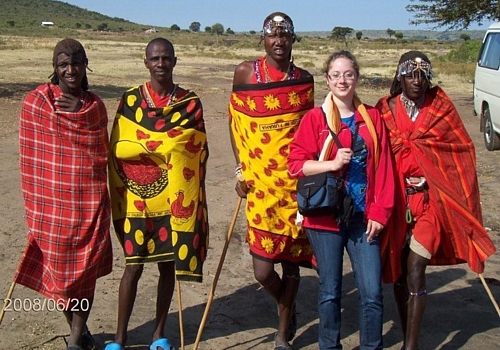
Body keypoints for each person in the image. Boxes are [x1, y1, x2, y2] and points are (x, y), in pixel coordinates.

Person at [375, 50, 497, 350]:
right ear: (399, 76)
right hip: (398, 203)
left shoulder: (440, 107)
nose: (417, 80)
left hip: (431, 202)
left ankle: (411, 347)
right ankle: (407, 334)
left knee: (416, 267)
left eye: (423, 74)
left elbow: (462, 150)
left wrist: (444, 181)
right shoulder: (385, 109)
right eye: (410, 74)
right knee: (401, 273)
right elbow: (374, 152)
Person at [105, 38, 209, 350]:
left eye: (166, 58)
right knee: (133, 266)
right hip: (137, 197)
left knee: (167, 266)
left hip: (174, 197)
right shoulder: (131, 100)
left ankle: (158, 335)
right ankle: (120, 338)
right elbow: (119, 148)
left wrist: (154, 149)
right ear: (146, 62)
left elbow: (197, 147)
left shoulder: (190, 103)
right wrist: (161, 148)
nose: (160, 63)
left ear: (175, 61)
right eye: (155, 58)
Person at [287, 50, 394, 349]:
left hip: (364, 218)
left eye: (348, 74)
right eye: (336, 75)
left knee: (372, 292)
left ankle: (371, 346)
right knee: (330, 291)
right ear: (327, 79)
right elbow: (296, 164)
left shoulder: (371, 118)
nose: (342, 80)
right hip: (324, 217)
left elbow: (385, 167)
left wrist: (380, 213)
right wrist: (331, 165)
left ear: (357, 77)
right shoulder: (314, 119)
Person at [15, 38, 112, 350]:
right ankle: (78, 331)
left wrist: (81, 109)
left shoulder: (95, 106)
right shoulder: (37, 102)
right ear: (54, 68)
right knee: (59, 273)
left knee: (85, 273)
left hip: (88, 203)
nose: (71, 70)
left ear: (85, 66)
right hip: (52, 206)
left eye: (77, 63)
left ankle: (74, 339)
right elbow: (31, 156)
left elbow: (102, 151)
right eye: (63, 64)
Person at [228, 12, 315, 350]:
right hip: (260, 188)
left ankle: (282, 333)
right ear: (262, 39)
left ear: (293, 39)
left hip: (294, 187)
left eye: (285, 34)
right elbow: (236, 125)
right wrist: (240, 170)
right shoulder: (245, 74)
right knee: (263, 273)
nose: (279, 40)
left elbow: (309, 133)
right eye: (272, 34)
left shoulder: (304, 81)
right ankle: (286, 306)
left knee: (292, 266)